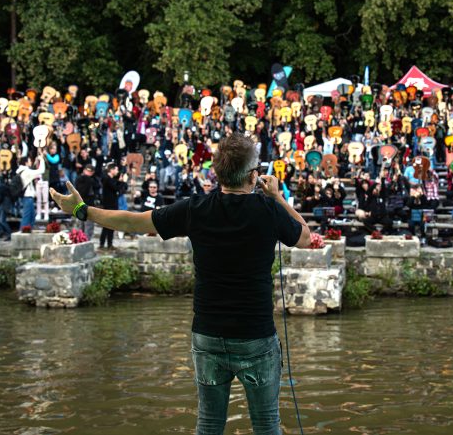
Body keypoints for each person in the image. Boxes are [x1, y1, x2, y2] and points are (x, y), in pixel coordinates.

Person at [49, 133, 310, 435]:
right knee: (266, 425)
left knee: (209, 425)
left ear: (217, 173)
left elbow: (134, 221)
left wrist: (82, 211)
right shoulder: (268, 210)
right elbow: (305, 237)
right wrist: (277, 197)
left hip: (208, 335)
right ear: (254, 177)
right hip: (255, 337)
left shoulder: (194, 208)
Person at [17, 153, 45, 231]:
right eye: (29, 161)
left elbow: (32, 171)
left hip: (27, 197)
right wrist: (41, 159)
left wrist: (36, 162)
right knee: (27, 218)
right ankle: (22, 233)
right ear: (26, 163)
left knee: (32, 217)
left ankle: (27, 231)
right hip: (27, 197)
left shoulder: (21, 170)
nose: (31, 162)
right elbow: (41, 171)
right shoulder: (26, 172)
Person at [99, 163, 124, 249]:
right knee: (106, 226)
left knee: (112, 225)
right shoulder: (107, 179)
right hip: (108, 206)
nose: (117, 171)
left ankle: (110, 244)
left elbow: (120, 189)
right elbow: (116, 188)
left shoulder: (111, 179)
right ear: (112, 170)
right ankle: (102, 244)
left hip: (113, 205)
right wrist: (120, 181)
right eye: (116, 169)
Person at [74, 165, 97, 240]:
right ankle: (80, 240)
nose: (88, 173)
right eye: (87, 171)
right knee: (80, 225)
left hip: (90, 205)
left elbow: (97, 186)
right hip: (81, 204)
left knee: (89, 226)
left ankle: (87, 241)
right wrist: (88, 179)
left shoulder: (94, 179)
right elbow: (82, 192)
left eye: (90, 172)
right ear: (84, 170)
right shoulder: (80, 178)